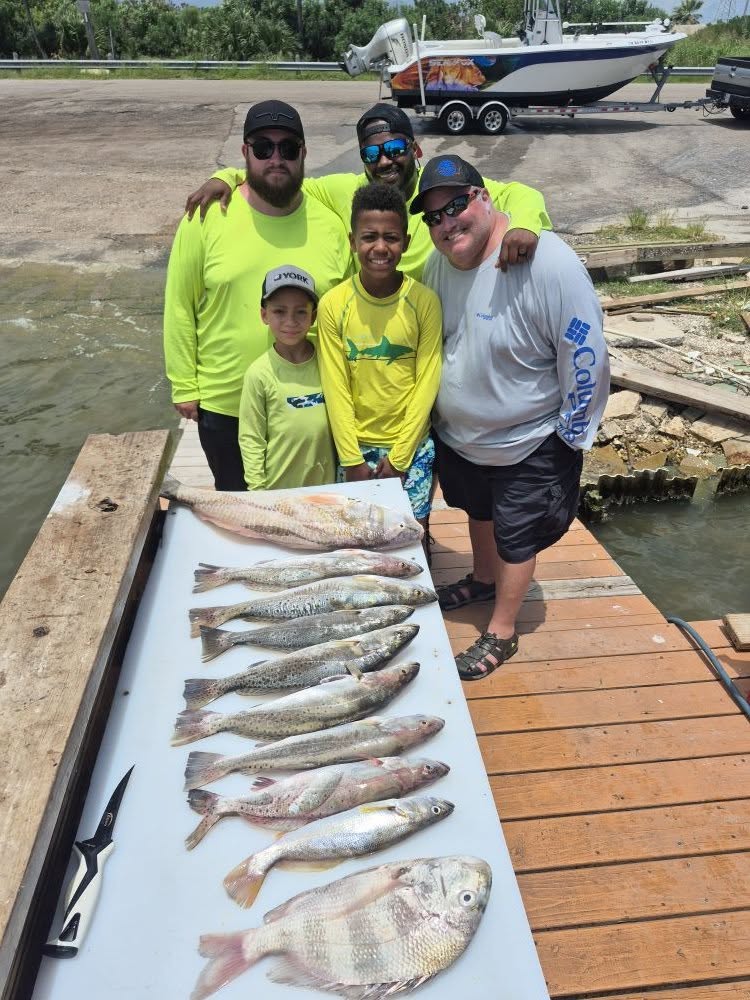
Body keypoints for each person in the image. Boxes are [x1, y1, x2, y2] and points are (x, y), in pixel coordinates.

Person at [413, 154, 610, 680]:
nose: (446, 222)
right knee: (478, 511)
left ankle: (502, 629)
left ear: (484, 198)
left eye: (456, 205)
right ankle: (481, 577)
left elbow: (585, 349)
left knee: (516, 535)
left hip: (531, 437)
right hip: (463, 438)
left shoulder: (545, 261)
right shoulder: (438, 262)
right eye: (433, 216)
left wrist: (572, 436)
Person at [163, 99, 352, 491]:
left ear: (303, 154)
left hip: (313, 405)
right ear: (245, 152)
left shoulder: (331, 222)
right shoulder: (206, 216)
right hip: (225, 402)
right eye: (263, 148)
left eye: (288, 148)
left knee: (313, 514)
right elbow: (179, 304)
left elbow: (346, 314)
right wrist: (184, 384)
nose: (276, 158)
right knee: (240, 519)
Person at [184, 102, 552, 279]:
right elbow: (282, 173)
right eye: (372, 154)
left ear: (415, 150)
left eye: (394, 150)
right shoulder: (348, 189)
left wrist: (526, 226)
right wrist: (228, 176)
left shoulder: (441, 189)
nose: (384, 162)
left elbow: (519, 193)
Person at [316, 183, 442, 561]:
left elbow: (428, 379)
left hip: (412, 447)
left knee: (412, 536)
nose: (380, 248)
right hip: (354, 447)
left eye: (391, 237)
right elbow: (335, 386)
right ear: (353, 240)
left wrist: (402, 456)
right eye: (369, 237)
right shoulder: (333, 304)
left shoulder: (424, 302)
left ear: (405, 240)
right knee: (358, 542)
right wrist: (351, 458)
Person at [239, 265, 336, 491]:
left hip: (328, 487)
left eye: (301, 311)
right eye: (279, 311)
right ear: (264, 315)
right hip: (278, 490)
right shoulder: (258, 373)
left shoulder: (329, 361)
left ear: (313, 316)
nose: (290, 321)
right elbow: (251, 438)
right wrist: (258, 490)